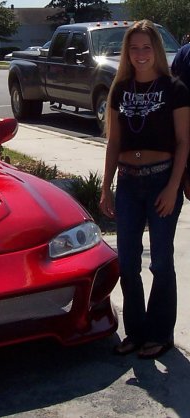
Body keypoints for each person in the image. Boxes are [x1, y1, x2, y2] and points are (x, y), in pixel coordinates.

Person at [100, 20, 190, 359]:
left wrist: (172, 187)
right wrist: (106, 187)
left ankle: (160, 334)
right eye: (134, 48)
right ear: (127, 52)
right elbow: (114, 142)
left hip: (161, 180)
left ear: (156, 51)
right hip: (128, 183)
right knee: (127, 262)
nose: (140, 54)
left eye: (146, 47)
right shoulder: (120, 89)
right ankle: (136, 332)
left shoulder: (175, 88)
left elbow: (183, 142)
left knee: (161, 262)